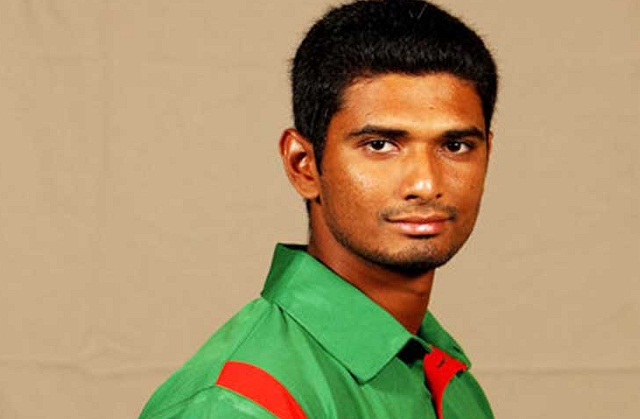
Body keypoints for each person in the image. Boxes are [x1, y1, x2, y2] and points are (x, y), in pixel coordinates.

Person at [139, 0, 498, 417]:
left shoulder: (449, 381)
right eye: (379, 145)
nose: (426, 184)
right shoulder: (236, 405)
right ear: (303, 165)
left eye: (456, 146)